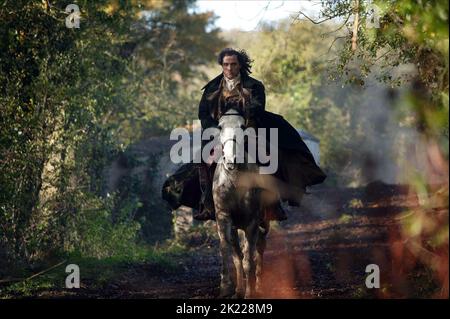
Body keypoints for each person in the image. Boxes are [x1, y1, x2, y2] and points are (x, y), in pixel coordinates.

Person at [161, 48, 326, 221]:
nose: (230, 68)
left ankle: (273, 205)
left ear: (239, 65)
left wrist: (240, 120)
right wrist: (217, 130)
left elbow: (257, 108)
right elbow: (203, 114)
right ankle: (207, 203)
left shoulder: (254, 86)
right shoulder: (211, 88)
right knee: (202, 162)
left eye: (233, 64)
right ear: (222, 66)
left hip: (248, 130)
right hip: (219, 133)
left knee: (268, 158)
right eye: (226, 65)